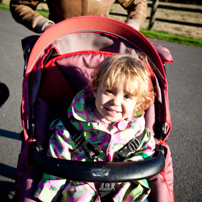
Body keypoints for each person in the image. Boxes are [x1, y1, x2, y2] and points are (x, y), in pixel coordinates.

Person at [34, 54, 155, 202]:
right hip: (81, 180)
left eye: (127, 96)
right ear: (96, 89)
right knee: (79, 197)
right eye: (109, 91)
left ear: (138, 103)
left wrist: (134, 162)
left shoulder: (137, 127)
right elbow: (57, 160)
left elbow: (147, 149)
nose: (116, 101)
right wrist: (47, 196)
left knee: (136, 195)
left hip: (123, 180)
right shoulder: (72, 124)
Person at [9, 0, 147, 33]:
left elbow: (138, 2)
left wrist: (132, 26)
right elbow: (19, 4)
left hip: (102, 46)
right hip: (58, 43)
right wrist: (44, 25)